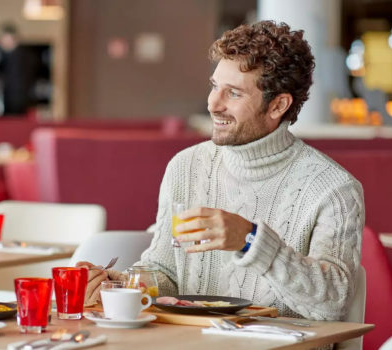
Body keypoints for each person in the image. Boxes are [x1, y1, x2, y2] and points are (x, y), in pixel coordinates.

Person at [79, 21, 364, 321]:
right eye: (215, 86)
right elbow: (166, 273)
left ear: (278, 105)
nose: (213, 104)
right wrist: (117, 286)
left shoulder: (334, 189)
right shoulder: (186, 167)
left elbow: (333, 303)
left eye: (234, 94)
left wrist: (251, 240)